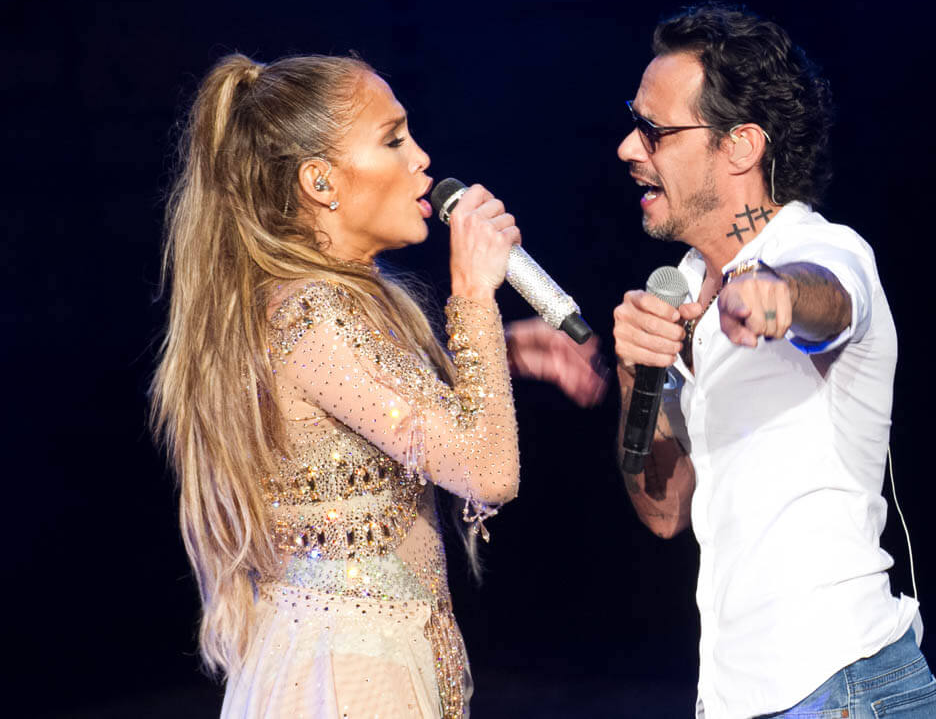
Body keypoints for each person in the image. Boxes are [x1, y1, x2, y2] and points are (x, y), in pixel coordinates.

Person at [151, 53, 603, 718]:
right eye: (393, 140)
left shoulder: (327, 303)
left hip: (363, 654)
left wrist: (493, 351)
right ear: (320, 180)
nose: (422, 159)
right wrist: (473, 294)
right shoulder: (314, 314)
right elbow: (487, 470)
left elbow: (377, 414)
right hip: (347, 674)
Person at [611, 4, 936, 718]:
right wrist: (637, 373)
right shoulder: (682, 290)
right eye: (634, 123)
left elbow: (833, 299)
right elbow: (664, 511)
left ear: (741, 146)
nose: (628, 148)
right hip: (736, 694)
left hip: (841, 683)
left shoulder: (820, 249)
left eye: (655, 131)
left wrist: (779, 297)